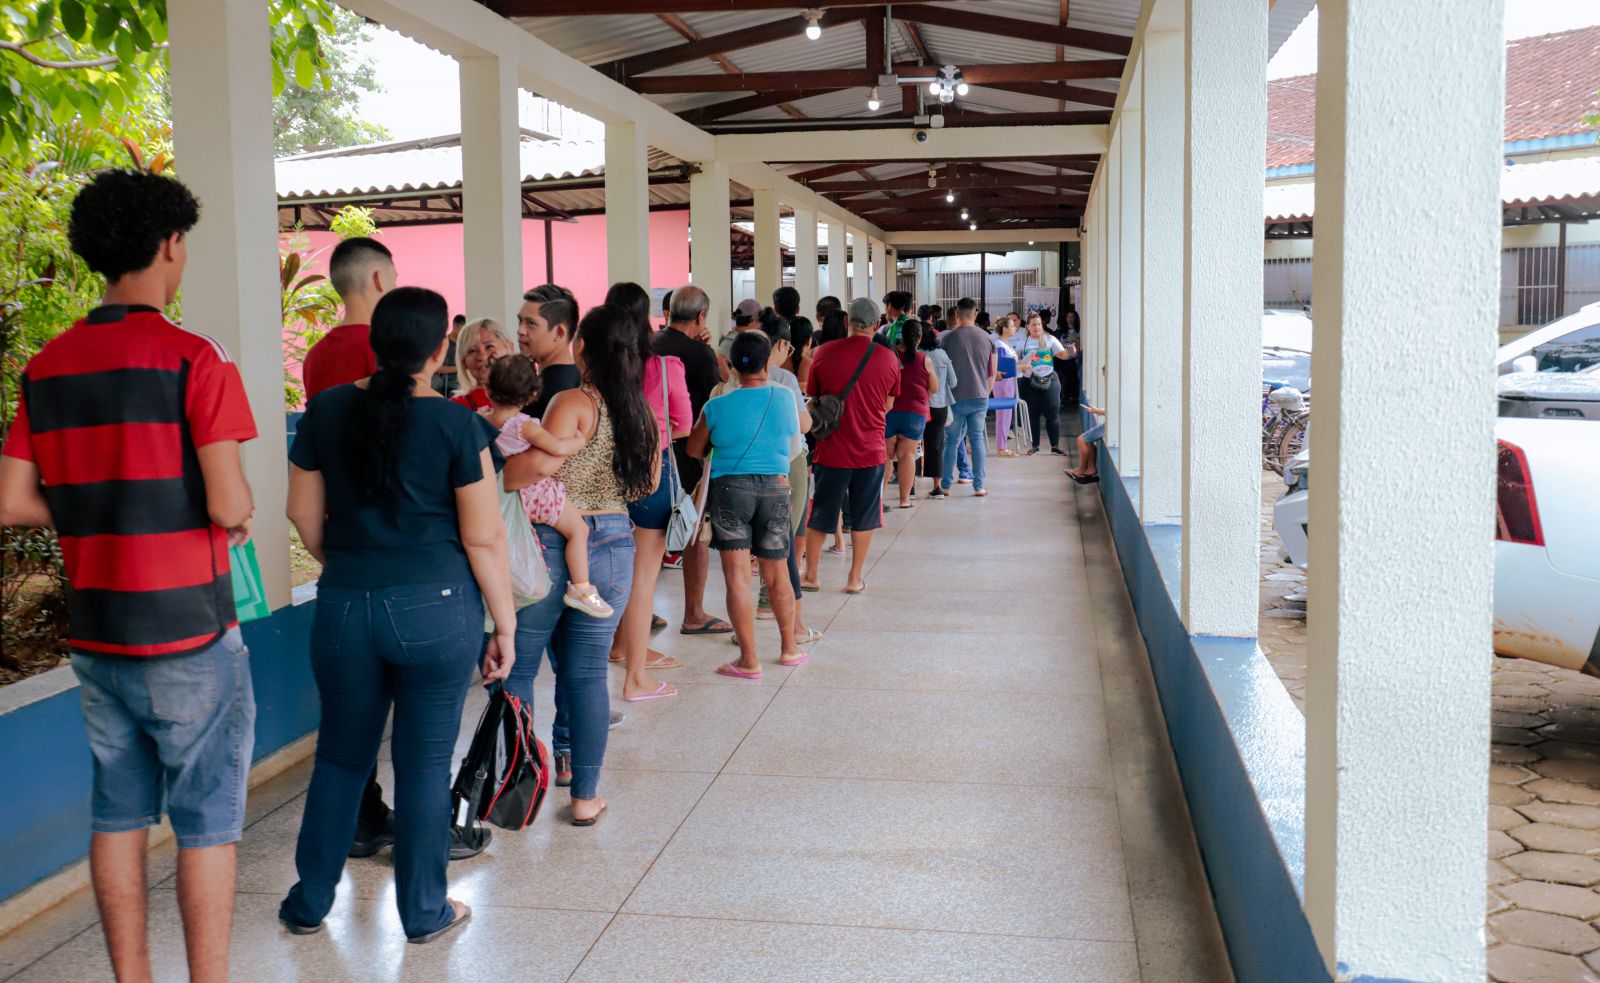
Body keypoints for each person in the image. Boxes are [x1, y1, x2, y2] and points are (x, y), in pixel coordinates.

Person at [0, 170, 256, 983]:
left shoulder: (47, 366)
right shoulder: (194, 357)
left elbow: (12, 500)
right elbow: (228, 499)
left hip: (99, 633)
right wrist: (233, 508)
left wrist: (97, 510)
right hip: (190, 630)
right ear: (171, 245)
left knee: (117, 814)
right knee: (206, 821)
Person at [279, 286, 515, 944]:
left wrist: (351, 561)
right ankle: (422, 910)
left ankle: (308, 901)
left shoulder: (324, 411)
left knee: (340, 760)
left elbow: (300, 514)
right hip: (437, 610)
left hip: (346, 604)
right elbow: (484, 537)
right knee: (422, 765)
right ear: (440, 348)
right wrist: (506, 623)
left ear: (374, 343)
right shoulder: (458, 425)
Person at [500, 304, 659, 826]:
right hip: (614, 542)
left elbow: (537, 467)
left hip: (552, 543)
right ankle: (585, 795)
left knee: (520, 669)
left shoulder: (572, 401)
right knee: (588, 673)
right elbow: (648, 487)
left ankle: (517, 788)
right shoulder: (642, 410)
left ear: (583, 347)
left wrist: (498, 464)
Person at [688, 331, 805, 677]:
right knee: (777, 572)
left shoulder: (716, 405)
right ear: (766, 363)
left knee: (737, 577)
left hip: (730, 491)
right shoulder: (784, 398)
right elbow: (793, 444)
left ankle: (749, 660)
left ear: (731, 367)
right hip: (775, 487)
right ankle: (789, 649)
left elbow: (695, 449)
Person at [605, 281, 690, 703]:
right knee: (641, 581)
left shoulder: (596, 368)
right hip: (650, 475)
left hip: (602, 480)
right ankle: (636, 677)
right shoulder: (664, 366)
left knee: (610, 576)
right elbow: (684, 425)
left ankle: (620, 646)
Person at [482, 356, 614, 618]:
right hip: (535, 493)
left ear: (487, 389)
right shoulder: (524, 426)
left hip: (503, 496)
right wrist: (579, 439)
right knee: (578, 530)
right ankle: (581, 588)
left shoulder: (480, 420)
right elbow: (557, 448)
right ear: (532, 395)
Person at [801, 297, 902, 594]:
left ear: (847, 322)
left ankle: (812, 574)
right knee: (864, 515)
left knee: (822, 512)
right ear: (876, 324)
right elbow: (889, 402)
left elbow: (814, 396)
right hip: (871, 450)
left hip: (831, 449)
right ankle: (854, 577)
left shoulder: (824, 353)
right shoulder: (888, 359)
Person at [650, 285, 732, 636]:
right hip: (689, 453)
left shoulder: (649, 346)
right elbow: (716, 399)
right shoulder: (700, 355)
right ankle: (694, 613)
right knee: (694, 532)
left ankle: (643, 609)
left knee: (648, 532)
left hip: (648, 451)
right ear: (701, 317)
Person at [302, 237, 395, 400]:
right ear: (378, 279)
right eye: (394, 278)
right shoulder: (384, 347)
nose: (395, 287)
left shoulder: (314, 355)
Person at [938, 297, 999, 498]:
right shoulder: (989, 339)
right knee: (977, 440)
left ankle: (945, 485)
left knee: (951, 442)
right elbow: (992, 373)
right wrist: (985, 392)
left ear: (957, 313)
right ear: (976, 313)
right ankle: (979, 486)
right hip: (980, 396)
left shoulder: (945, 339)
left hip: (954, 398)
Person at [884, 319, 938, 510]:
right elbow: (934, 388)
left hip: (888, 411)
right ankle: (904, 499)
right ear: (920, 337)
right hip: (915, 413)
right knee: (907, 455)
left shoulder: (889, 356)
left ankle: (878, 499)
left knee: (886, 455)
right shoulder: (925, 360)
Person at [517, 284, 583, 418]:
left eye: (531, 323)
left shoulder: (549, 392)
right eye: (520, 321)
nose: (520, 330)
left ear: (559, 332)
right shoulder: (580, 377)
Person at [1015, 311, 1073, 456]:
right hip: (1029, 382)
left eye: (1039, 324)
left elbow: (1063, 355)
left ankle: (1055, 446)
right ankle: (1035, 445)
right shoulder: (1023, 343)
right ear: (1027, 326)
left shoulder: (1050, 339)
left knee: (1053, 413)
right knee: (1033, 415)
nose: (1037, 327)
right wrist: (1028, 357)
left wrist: (1070, 351)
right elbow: (1017, 364)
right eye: (1033, 324)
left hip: (1050, 380)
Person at [920, 324, 957, 500]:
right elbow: (954, 381)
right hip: (939, 405)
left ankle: (909, 489)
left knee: (912, 446)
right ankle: (937, 487)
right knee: (936, 445)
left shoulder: (917, 355)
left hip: (919, 405)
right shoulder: (942, 355)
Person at [449, 316, 517, 410]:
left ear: (509, 347)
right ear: (464, 361)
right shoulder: (458, 406)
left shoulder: (529, 396)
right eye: (472, 351)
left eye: (489, 346)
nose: (482, 356)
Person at [991, 314, 1023, 458]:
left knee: (1006, 414)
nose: (1015, 328)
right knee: (1003, 414)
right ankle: (1001, 447)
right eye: (1012, 326)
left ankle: (1002, 446)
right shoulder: (999, 345)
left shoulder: (1005, 343)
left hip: (1009, 381)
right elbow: (1003, 366)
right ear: (1004, 329)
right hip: (1003, 382)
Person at [1066, 404, 1108, 484]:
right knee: (1088, 441)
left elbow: (1114, 413)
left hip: (1111, 425)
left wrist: (1097, 411)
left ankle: (1082, 468)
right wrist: (1100, 410)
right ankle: (1091, 468)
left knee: (1081, 439)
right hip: (1112, 424)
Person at [431, 313, 465, 396]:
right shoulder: (442, 343)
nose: (464, 332)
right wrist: (459, 368)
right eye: (463, 329)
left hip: (459, 388)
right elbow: (437, 367)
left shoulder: (463, 345)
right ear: (455, 326)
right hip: (443, 389)